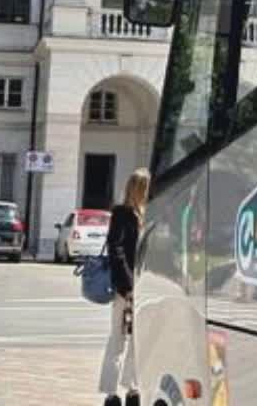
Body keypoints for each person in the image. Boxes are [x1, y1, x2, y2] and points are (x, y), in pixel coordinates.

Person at [98, 168, 149, 406]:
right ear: (140, 189)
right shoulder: (121, 214)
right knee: (118, 339)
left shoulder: (146, 215)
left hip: (145, 289)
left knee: (139, 340)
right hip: (125, 289)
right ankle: (111, 393)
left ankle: (132, 389)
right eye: (147, 188)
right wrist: (128, 287)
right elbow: (115, 250)